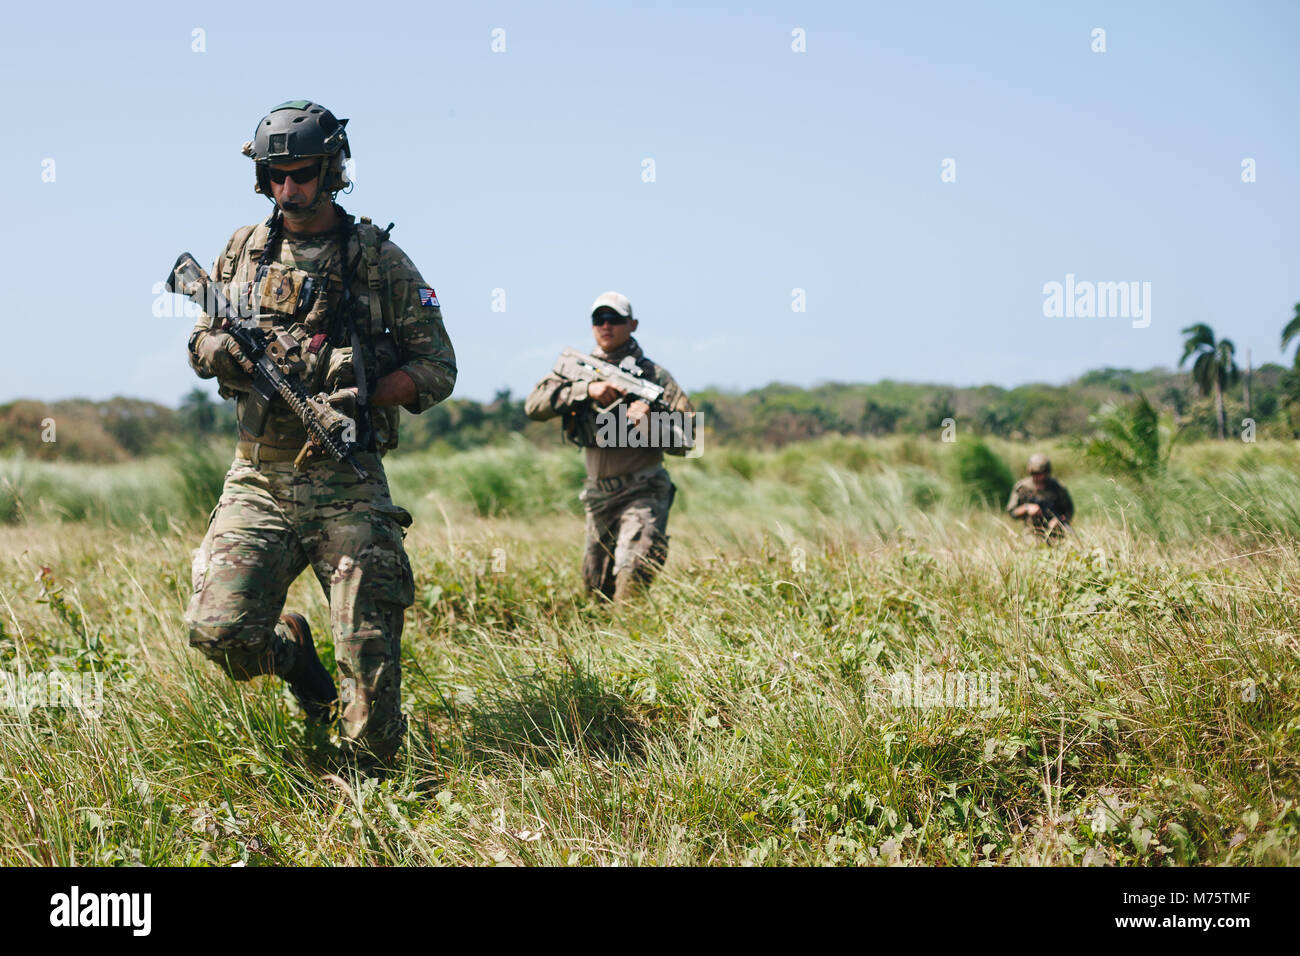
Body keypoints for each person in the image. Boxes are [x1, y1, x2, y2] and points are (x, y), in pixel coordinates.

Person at [183, 100, 456, 771]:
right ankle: (299, 663)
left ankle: (372, 793)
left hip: (347, 481)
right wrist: (227, 356)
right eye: (275, 175)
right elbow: (199, 341)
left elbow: (438, 368)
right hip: (260, 478)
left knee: (369, 658)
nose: (288, 188)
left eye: (301, 173)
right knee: (219, 632)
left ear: (331, 170)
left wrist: (365, 398)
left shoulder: (379, 261)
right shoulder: (242, 251)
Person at [525, 292, 693, 601]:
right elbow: (534, 406)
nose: (606, 326)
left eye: (614, 320)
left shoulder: (655, 377)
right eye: (598, 320)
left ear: (632, 325)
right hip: (598, 496)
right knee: (596, 593)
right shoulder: (578, 368)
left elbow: (689, 440)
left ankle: (637, 643)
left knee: (632, 581)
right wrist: (587, 389)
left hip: (642, 491)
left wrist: (651, 419)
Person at [1007, 452, 1073, 539]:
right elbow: (1012, 512)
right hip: (1032, 534)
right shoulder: (1022, 488)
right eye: (1036, 473)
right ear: (1031, 472)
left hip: (1056, 533)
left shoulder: (1057, 487)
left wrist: (1059, 520)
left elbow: (1068, 510)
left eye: (1043, 473)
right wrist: (1026, 508)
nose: (1041, 477)